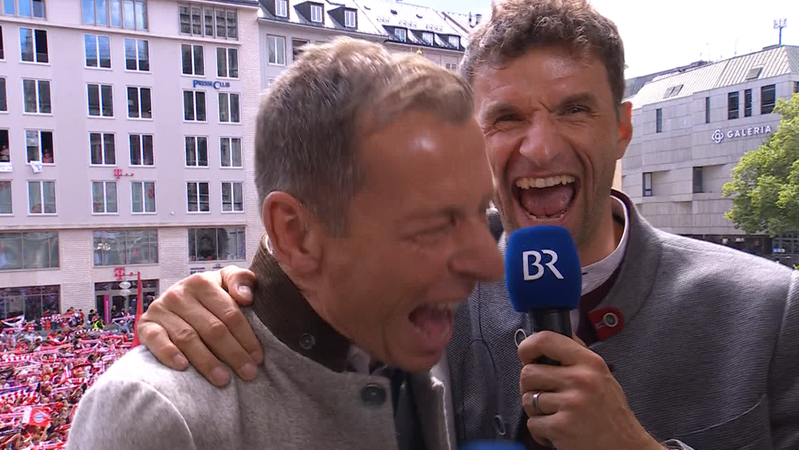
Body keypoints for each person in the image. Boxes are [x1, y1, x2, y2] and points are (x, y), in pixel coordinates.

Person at [137, 1, 799, 449]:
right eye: (506, 118)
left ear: (621, 129)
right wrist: (235, 296)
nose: (539, 149)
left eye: (573, 110)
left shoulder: (769, 312)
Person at [68, 37, 502, 450]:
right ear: (294, 232)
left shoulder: (410, 354)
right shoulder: (156, 412)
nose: (487, 265)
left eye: (478, 212)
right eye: (430, 225)